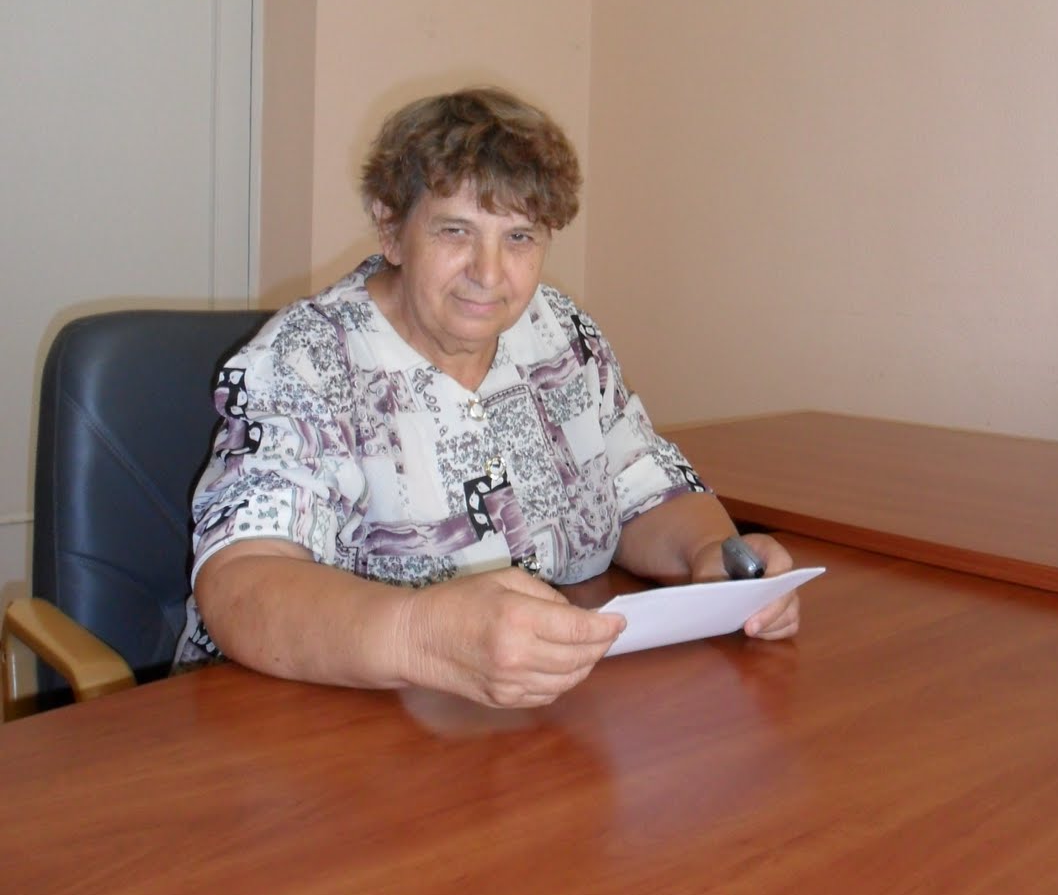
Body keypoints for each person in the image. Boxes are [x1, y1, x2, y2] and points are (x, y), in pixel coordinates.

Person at [174, 86, 798, 707]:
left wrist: (712, 557)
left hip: (530, 715)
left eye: (520, 237)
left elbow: (643, 489)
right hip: (313, 719)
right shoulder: (306, 360)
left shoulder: (560, 332)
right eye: (455, 231)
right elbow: (240, 582)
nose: (489, 273)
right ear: (391, 228)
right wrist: (420, 636)